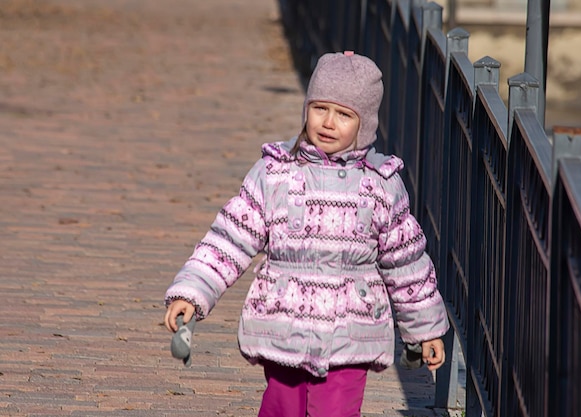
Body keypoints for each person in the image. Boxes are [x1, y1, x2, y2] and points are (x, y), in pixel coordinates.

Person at [163, 51, 450, 417]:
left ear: (364, 124)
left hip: (351, 329)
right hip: (284, 320)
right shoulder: (274, 174)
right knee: (282, 408)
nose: (329, 122)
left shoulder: (380, 186)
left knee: (335, 411)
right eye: (320, 109)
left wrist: (424, 329)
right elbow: (230, 237)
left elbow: (406, 263)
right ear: (306, 109)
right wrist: (194, 291)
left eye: (344, 115)